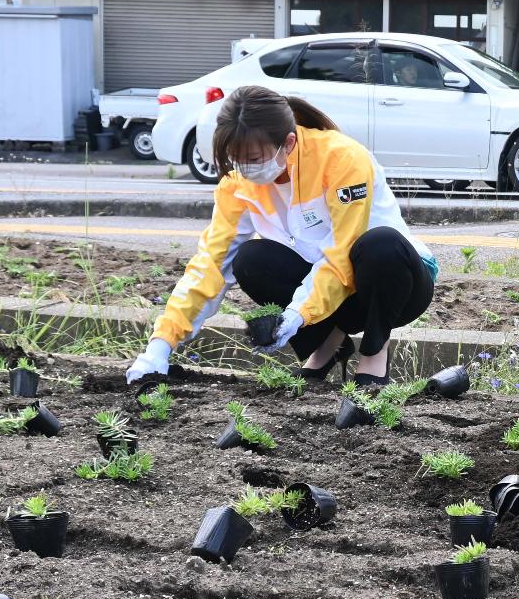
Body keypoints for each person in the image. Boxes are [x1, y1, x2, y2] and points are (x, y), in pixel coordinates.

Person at [127, 85, 437, 384]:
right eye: (237, 158)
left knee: (379, 244)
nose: (246, 169)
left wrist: (297, 314)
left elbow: (342, 252)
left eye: (254, 158)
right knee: (250, 259)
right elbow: (210, 264)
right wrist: (161, 345)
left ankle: (374, 355)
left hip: (394, 286)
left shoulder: (341, 158)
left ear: (287, 143)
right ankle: (326, 347)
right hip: (330, 296)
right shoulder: (239, 185)